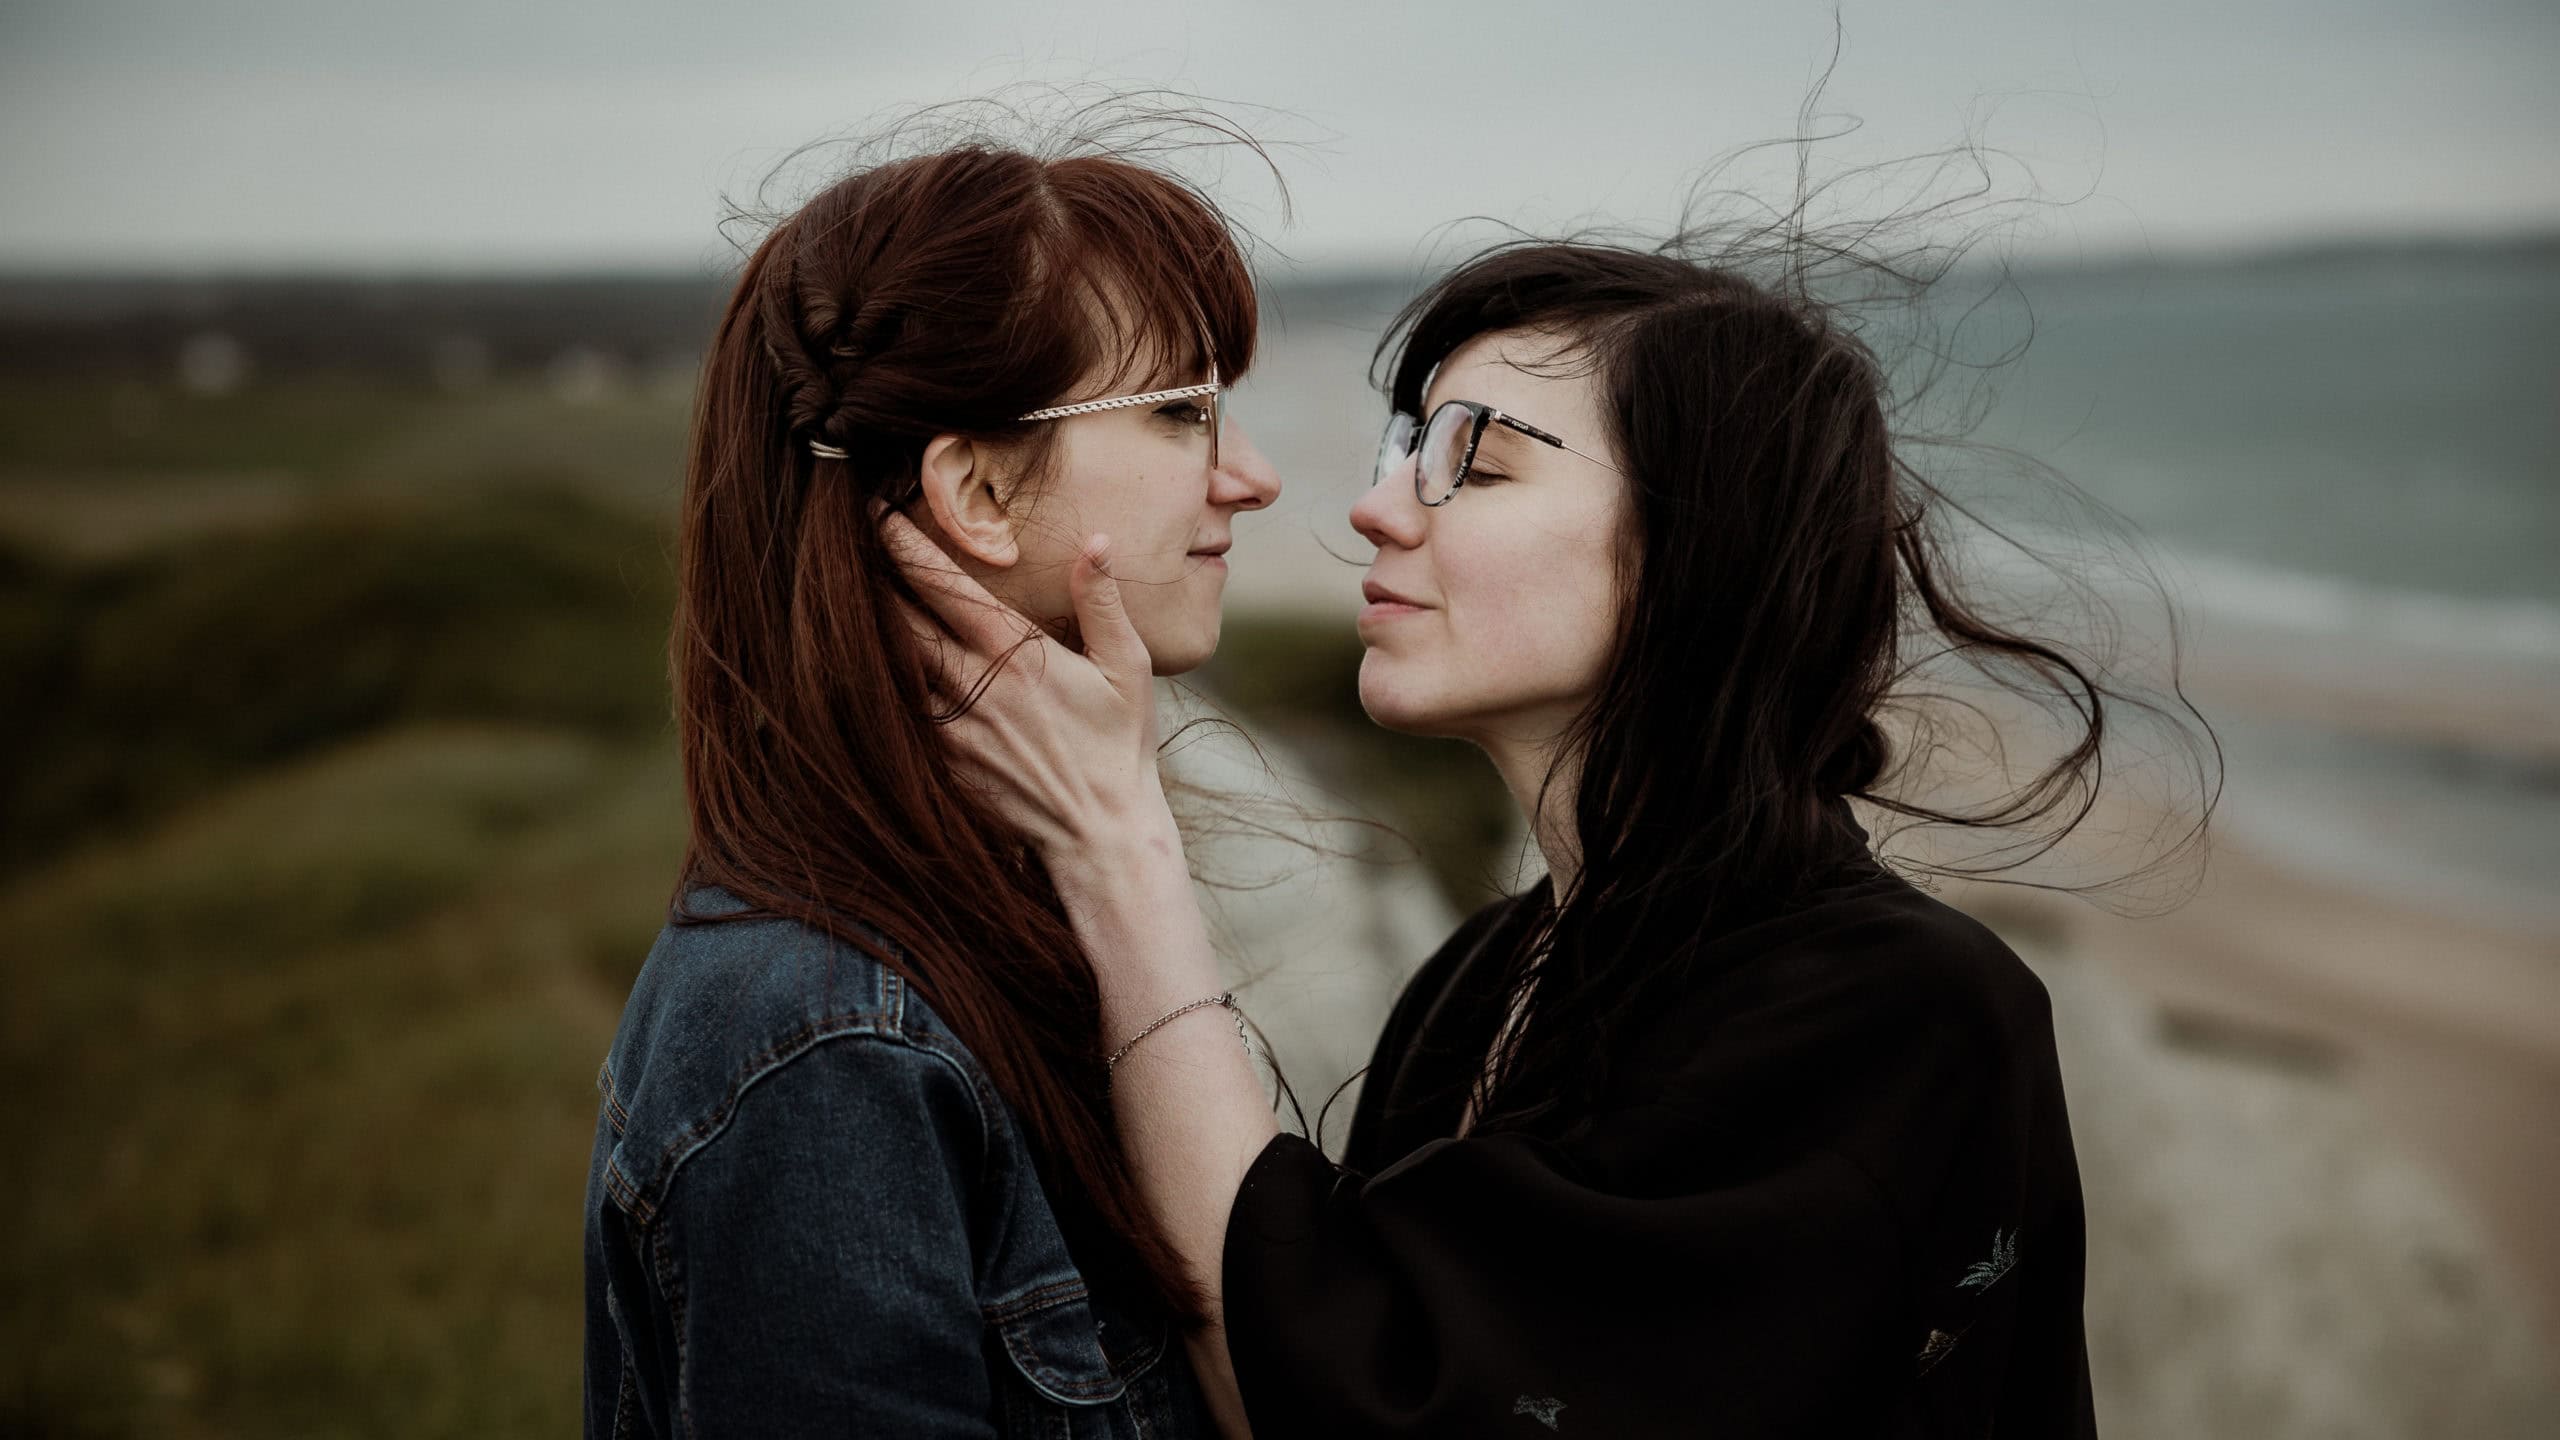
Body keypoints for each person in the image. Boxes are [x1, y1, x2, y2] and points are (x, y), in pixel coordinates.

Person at [886, 238, 2215, 1436]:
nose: (1380, 508)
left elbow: (1347, 1400)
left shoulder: (1902, 1013)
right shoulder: (1487, 976)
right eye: (1405, 449)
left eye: (1476, 459)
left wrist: (1121, 849)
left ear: (1699, 546)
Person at [580, 133, 1281, 1439]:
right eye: (1183, 413)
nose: (1251, 476)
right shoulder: (828, 1049)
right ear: (975, 490)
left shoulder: (990, 918)